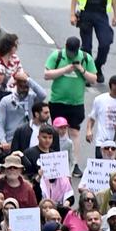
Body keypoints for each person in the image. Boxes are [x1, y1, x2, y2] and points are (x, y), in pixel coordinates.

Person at [43, 36, 96, 165]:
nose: (71, 55)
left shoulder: (85, 58)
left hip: (76, 102)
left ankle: (74, 162)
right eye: (69, 51)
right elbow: (47, 75)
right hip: (58, 101)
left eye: (73, 52)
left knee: (74, 131)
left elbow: (93, 79)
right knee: (58, 131)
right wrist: (66, 69)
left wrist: (81, 70)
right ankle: (56, 160)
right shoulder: (58, 56)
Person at [69, 0, 116, 81]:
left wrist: (115, 15)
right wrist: (72, 14)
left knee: (105, 42)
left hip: (101, 13)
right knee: (86, 46)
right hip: (86, 13)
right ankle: (88, 73)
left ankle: (98, 65)